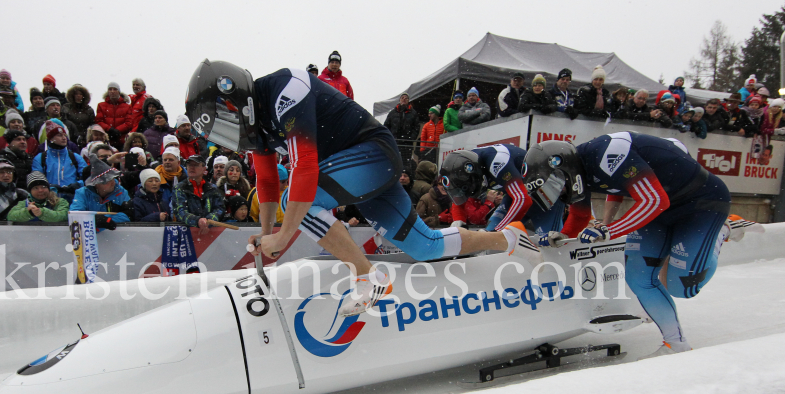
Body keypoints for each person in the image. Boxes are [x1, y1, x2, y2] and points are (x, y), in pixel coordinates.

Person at [186, 60, 542, 316]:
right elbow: (264, 181)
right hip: (361, 169)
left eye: (225, 123)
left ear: (236, 100)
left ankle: (366, 275)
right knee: (425, 246)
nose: (229, 135)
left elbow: (305, 168)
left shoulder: (285, 87)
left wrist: (281, 237)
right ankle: (510, 237)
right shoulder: (257, 131)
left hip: (372, 155)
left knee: (297, 198)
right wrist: (267, 239)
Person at [523, 133, 763, 354]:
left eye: (555, 183)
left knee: (682, 287)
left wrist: (609, 230)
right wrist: (561, 237)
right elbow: (581, 216)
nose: (559, 191)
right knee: (638, 277)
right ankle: (675, 343)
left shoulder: (609, 154)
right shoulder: (577, 172)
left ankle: (723, 231)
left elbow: (654, 199)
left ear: (562, 165)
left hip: (701, 205)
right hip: (659, 212)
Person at [72, 153, 132, 231]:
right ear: (96, 184)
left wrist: (107, 220)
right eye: (107, 181)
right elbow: (75, 214)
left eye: (113, 179)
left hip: (115, 237)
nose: (112, 183)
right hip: (88, 236)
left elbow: (129, 214)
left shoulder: (121, 192)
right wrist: (94, 219)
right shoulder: (82, 193)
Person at [32, 120, 86, 201]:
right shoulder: (40, 158)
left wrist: (78, 184)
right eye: (59, 135)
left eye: (64, 135)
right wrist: (50, 186)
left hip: (73, 199)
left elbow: (87, 177)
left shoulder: (75, 157)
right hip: (50, 200)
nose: (64, 138)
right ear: (51, 138)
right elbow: (37, 179)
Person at [173, 153, 224, 230]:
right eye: (189, 165)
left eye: (196, 165)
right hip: (187, 232)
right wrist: (197, 221)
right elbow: (180, 212)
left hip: (210, 231)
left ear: (204, 169)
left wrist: (209, 221)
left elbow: (220, 209)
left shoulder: (212, 188)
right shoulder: (180, 188)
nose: (192, 168)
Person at [383, 92, 420, 164]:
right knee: (393, 163)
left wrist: (411, 138)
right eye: (402, 98)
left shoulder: (413, 113)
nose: (404, 99)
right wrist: (390, 138)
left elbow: (416, 127)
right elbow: (386, 126)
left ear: (408, 101)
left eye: (406, 98)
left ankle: (404, 174)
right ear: (399, 100)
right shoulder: (392, 113)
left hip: (407, 144)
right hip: (394, 143)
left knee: (405, 163)